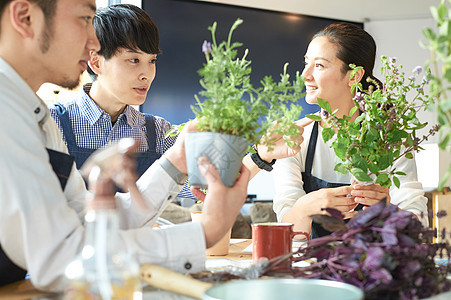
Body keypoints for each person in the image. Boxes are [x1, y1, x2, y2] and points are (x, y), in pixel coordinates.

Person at [0, 0, 249, 290]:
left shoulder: (34, 115)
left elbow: (93, 225)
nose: (93, 41)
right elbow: (61, 257)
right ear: (25, 17)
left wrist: (176, 161)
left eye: (151, 60)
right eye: (83, 18)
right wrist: (206, 231)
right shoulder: (13, 114)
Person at [272, 22, 429, 239]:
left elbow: (418, 227)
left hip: (374, 267)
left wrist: (388, 210)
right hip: (311, 267)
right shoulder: (297, 138)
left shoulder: (390, 137)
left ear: (354, 75)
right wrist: (307, 206)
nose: (305, 75)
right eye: (307, 63)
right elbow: (288, 234)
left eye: (319, 65)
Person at [49, 4, 194, 199]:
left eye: (152, 61)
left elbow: (199, 187)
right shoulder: (53, 123)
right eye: (134, 60)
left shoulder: (157, 132)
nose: (147, 75)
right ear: (96, 62)